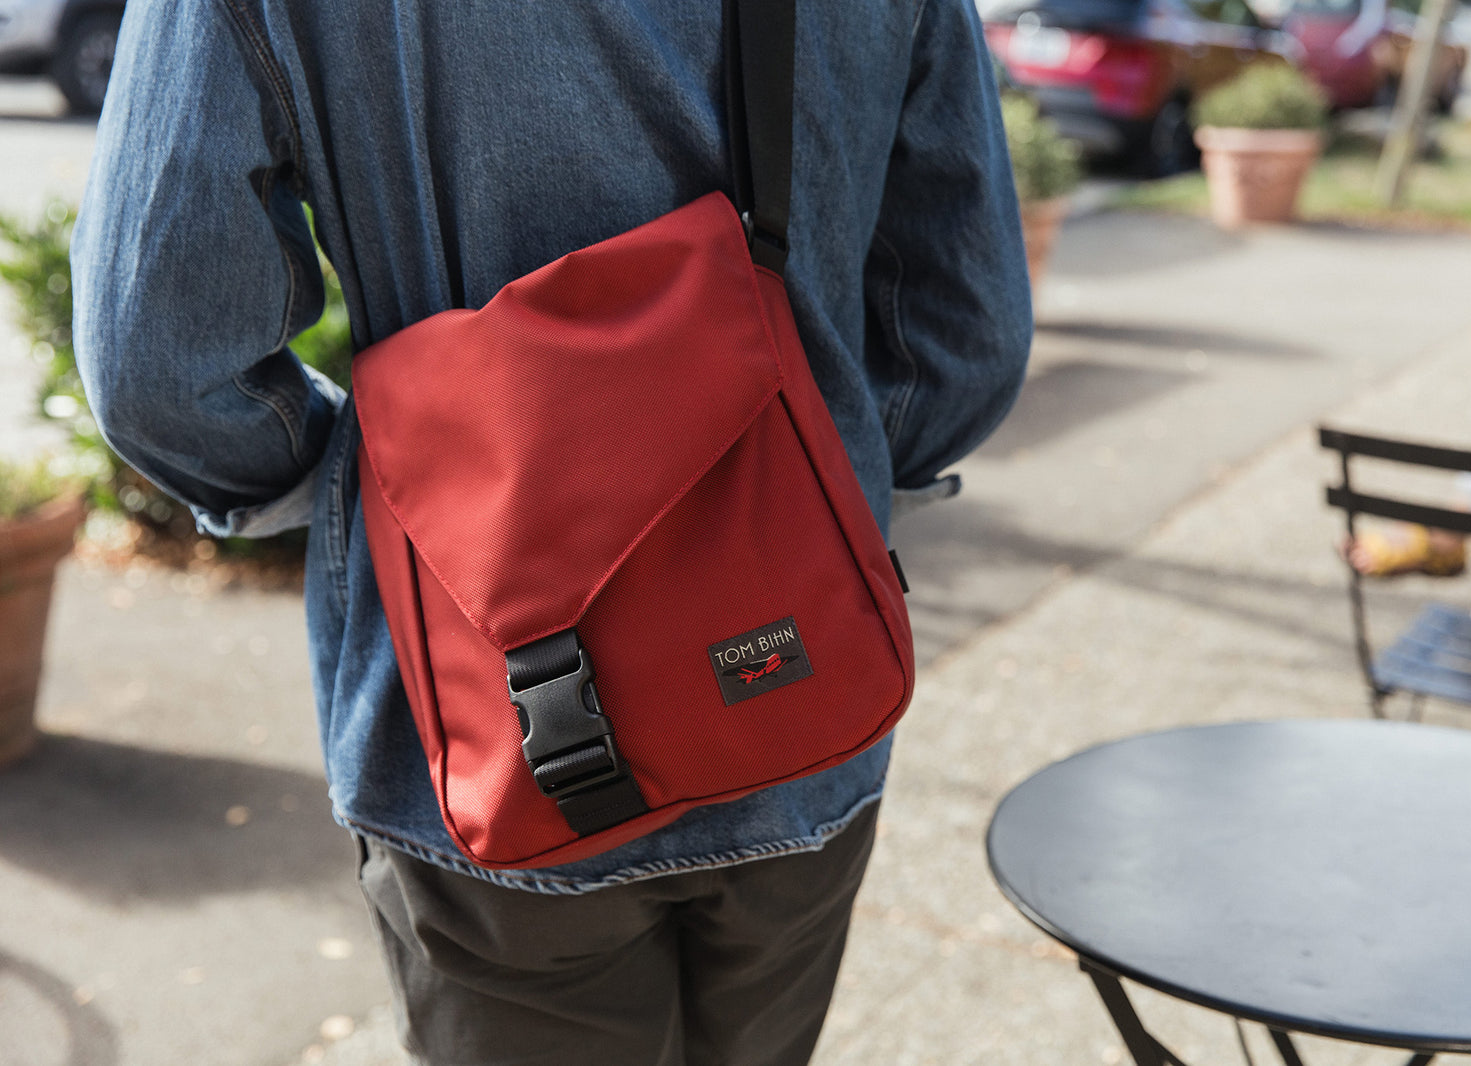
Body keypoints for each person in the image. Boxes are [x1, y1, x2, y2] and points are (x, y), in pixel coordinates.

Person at [71, 3, 1032, 1064]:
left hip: (488, 719)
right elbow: (963, 331)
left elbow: (159, 363)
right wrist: (812, 482)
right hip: (799, 688)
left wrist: (390, 491)